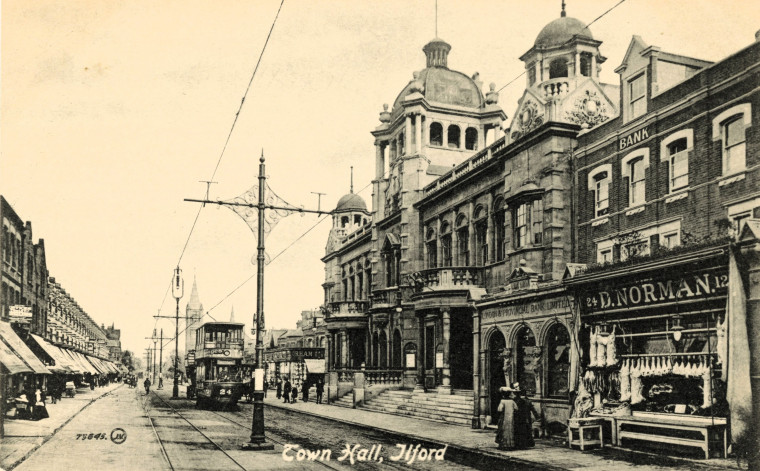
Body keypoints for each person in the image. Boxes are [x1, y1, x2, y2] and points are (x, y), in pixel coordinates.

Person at [513, 384, 539, 449]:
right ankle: (527, 443)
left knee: (520, 431)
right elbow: (533, 409)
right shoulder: (528, 400)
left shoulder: (517, 400)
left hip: (520, 418)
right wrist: (537, 417)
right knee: (527, 430)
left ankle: (520, 443)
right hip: (527, 417)